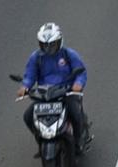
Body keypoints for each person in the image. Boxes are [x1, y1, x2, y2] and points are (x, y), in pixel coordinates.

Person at [16, 22, 91, 154]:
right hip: (45, 95)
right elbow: (30, 75)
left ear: (59, 41)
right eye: (45, 45)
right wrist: (25, 87)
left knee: (75, 113)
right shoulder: (36, 57)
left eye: (52, 45)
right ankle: (41, 138)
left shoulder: (69, 54)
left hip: (66, 92)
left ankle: (79, 141)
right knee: (28, 116)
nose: (48, 49)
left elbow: (81, 72)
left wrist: (78, 84)